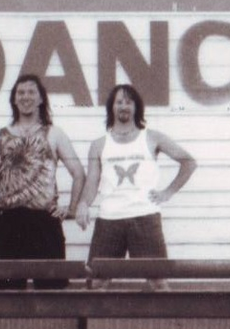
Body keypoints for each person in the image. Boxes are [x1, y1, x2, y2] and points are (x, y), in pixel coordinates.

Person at [0, 73, 85, 289]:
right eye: (20, 92)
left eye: (31, 92)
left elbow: (78, 173)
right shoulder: (0, 135)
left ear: (41, 99)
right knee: (6, 293)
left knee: (52, 290)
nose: (26, 96)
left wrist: (70, 209)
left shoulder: (54, 133)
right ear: (14, 99)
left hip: (44, 221)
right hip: (9, 222)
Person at [74, 83, 198, 271]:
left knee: (157, 282)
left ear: (136, 107)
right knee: (97, 281)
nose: (124, 106)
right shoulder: (99, 144)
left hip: (145, 216)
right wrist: (83, 204)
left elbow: (189, 162)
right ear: (111, 107)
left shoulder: (152, 137)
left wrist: (168, 192)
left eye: (129, 102)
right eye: (119, 102)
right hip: (109, 218)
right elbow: (92, 181)